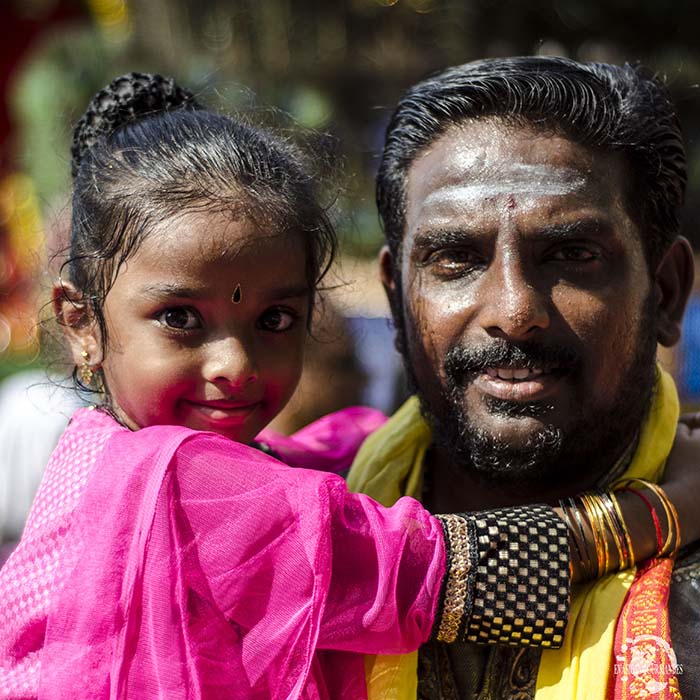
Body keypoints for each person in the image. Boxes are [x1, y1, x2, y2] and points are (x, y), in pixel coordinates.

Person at [0, 72, 694, 700]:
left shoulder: (304, 471)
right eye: (180, 319)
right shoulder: (180, 476)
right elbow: (427, 575)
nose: (234, 365)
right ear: (81, 323)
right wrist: (667, 510)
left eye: (274, 319)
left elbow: (307, 468)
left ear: (666, 292)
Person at [347, 56, 700, 699]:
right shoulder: (299, 533)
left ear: (667, 293)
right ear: (397, 300)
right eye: (456, 258)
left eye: (572, 255)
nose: (514, 312)